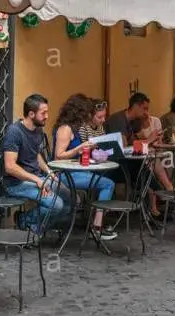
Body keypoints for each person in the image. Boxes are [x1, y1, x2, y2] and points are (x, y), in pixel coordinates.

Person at [52, 94, 117, 241]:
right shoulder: (65, 129)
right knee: (108, 184)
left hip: (74, 172)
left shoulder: (73, 129)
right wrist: (79, 148)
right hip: (65, 175)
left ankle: (95, 223)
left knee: (104, 181)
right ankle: (97, 227)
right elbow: (58, 156)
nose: (88, 115)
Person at [2, 94, 68, 233]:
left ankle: (35, 228)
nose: (47, 116)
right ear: (31, 114)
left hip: (37, 178)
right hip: (16, 184)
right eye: (43, 113)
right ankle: (24, 220)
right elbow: (10, 167)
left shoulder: (38, 130)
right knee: (56, 205)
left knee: (72, 199)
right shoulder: (14, 132)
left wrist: (49, 172)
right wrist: (37, 180)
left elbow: (36, 154)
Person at [106, 92, 175, 219]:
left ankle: (162, 195)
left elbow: (141, 141)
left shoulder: (135, 122)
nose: (146, 112)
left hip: (130, 161)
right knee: (145, 167)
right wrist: (148, 140)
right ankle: (161, 198)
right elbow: (123, 149)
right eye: (144, 108)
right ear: (135, 106)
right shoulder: (118, 120)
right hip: (114, 164)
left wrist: (153, 139)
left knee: (150, 161)